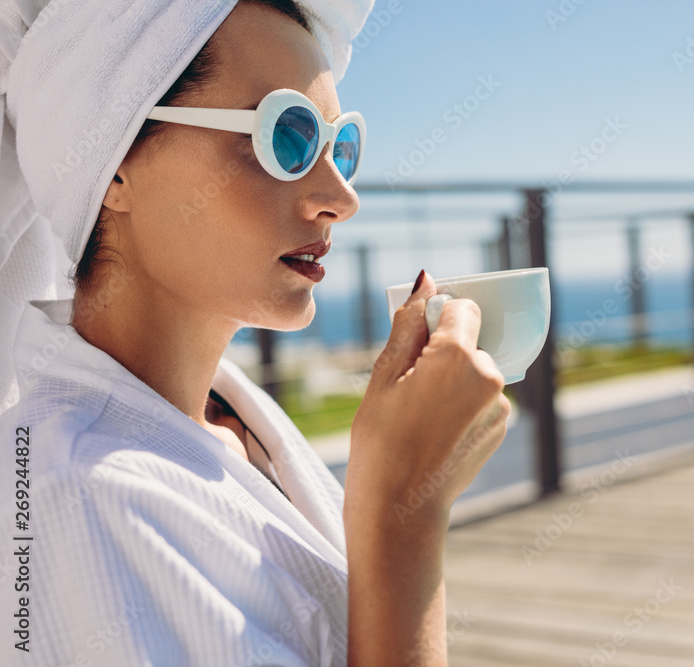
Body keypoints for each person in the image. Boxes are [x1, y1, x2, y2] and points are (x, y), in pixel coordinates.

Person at [0, 0, 510, 664]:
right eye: (287, 137)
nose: (342, 196)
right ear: (114, 162)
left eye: (341, 146)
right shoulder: (66, 491)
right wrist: (400, 517)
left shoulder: (231, 420)